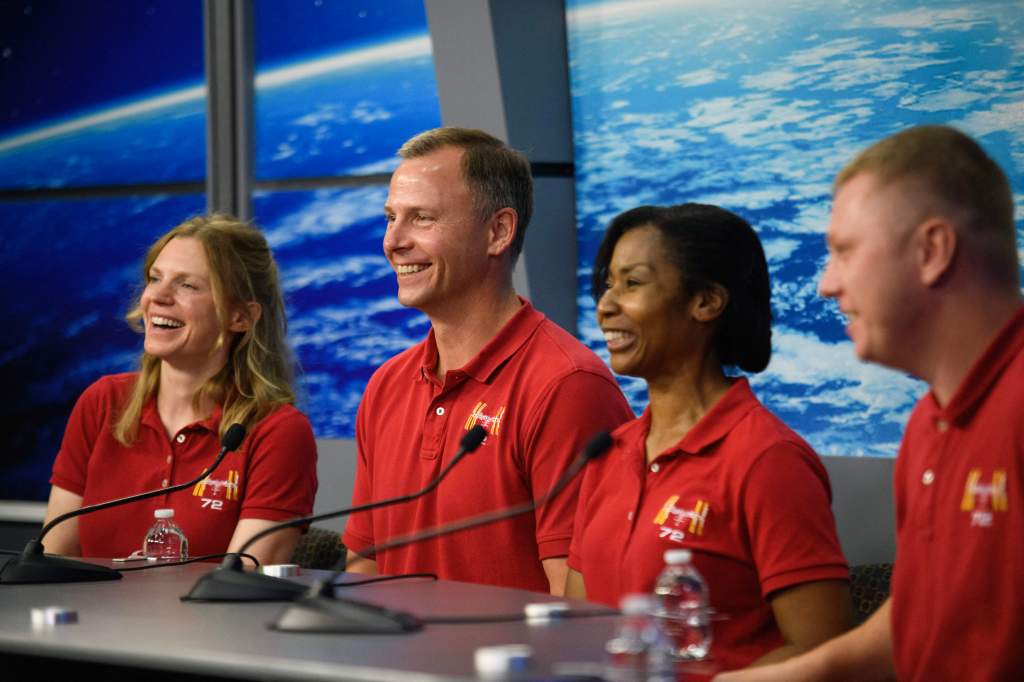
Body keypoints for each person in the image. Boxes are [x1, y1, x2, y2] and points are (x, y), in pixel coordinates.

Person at [715, 126, 1024, 682]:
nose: (826, 285)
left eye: (844, 252)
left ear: (932, 251)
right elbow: (919, 618)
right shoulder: (929, 426)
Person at [342, 127, 632, 594]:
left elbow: (581, 606)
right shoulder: (386, 385)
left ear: (498, 231)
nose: (393, 241)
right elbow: (365, 568)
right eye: (390, 218)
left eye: (422, 218)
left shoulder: (567, 387)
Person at [566, 203, 852, 671]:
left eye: (632, 283)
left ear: (706, 302)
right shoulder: (608, 454)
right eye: (607, 285)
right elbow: (583, 632)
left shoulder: (768, 460)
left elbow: (825, 655)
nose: (605, 305)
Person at [44, 215, 317, 566]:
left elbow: (239, 585)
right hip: (92, 620)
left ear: (240, 317)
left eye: (187, 285)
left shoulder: (277, 432)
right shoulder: (102, 402)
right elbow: (53, 561)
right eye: (155, 279)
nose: (157, 296)